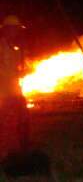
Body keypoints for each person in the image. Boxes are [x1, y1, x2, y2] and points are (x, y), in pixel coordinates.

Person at [0, 15, 29, 163]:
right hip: (4, 94)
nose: (16, 32)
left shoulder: (15, 49)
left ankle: (17, 152)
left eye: (17, 30)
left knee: (21, 121)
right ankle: (5, 155)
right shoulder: (1, 47)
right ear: (6, 30)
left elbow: (16, 70)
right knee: (6, 124)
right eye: (13, 29)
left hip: (15, 92)